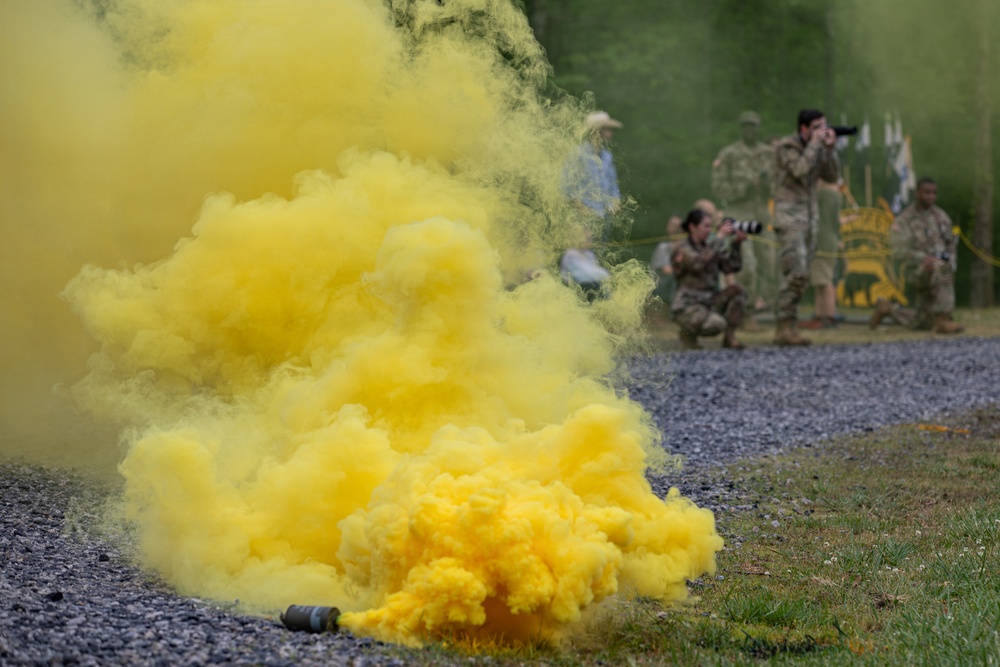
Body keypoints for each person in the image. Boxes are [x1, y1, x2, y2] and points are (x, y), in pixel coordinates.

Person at [772, 108, 840, 345]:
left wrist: (830, 150)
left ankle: (788, 327)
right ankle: (783, 326)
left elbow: (832, 177)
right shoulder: (785, 147)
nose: (822, 131)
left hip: (811, 221)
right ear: (803, 128)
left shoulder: (818, 148)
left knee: (802, 276)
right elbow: (799, 170)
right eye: (817, 127)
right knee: (796, 272)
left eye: (824, 126)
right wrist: (814, 145)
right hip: (790, 219)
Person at [870, 178, 964, 334]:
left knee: (923, 322)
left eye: (934, 193)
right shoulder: (905, 220)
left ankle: (887, 308)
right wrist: (922, 258)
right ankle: (943, 320)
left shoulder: (941, 216)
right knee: (941, 269)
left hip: (939, 270)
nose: (931, 196)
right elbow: (897, 250)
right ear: (917, 193)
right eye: (926, 192)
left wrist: (951, 259)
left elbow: (950, 242)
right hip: (916, 271)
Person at [711, 110, 777, 313]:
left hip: (763, 214)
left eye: (753, 126)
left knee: (770, 263)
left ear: (758, 128)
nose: (750, 130)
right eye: (746, 126)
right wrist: (742, 189)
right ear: (741, 129)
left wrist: (768, 185)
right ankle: (745, 309)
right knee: (746, 263)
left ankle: (766, 306)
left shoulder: (768, 153)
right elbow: (718, 187)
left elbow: (780, 185)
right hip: (739, 213)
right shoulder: (729, 154)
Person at [670, 208, 748, 350]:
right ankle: (688, 333)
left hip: (709, 301)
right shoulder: (682, 248)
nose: (709, 230)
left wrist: (736, 245)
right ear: (692, 227)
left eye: (710, 226)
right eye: (706, 226)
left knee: (738, 291)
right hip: (688, 305)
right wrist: (719, 237)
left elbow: (731, 267)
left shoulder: (711, 248)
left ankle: (730, 339)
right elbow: (698, 264)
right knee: (716, 324)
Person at [563, 110, 623, 242]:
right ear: (596, 131)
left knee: (601, 254)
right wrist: (581, 208)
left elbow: (613, 186)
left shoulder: (607, 156)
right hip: (582, 220)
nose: (610, 134)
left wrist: (615, 202)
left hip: (604, 218)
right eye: (607, 129)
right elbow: (567, 187)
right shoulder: (578, 155)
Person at [802, 178, 845, 329]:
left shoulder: (823, 195)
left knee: (824, 281)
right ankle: (820, 315)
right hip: (829, 241)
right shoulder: (836, 195)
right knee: (820, 281)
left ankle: (828, 316)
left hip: (822, 242)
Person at [560, 228, 610, 302]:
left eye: (590, 240)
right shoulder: (570, 254)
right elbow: (578, 273)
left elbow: (594, 269)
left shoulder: (589, 254)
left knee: (603, 286)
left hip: (593, 284)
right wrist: (604, 274)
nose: (589, 243)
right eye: (587, 239)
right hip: (579, 286)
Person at [649, 214, 683, 309]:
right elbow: (667, 271)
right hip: (658, 287)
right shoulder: (663, 248)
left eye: (678, 224)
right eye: (672, 224)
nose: (675, 227)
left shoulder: (684, 247)